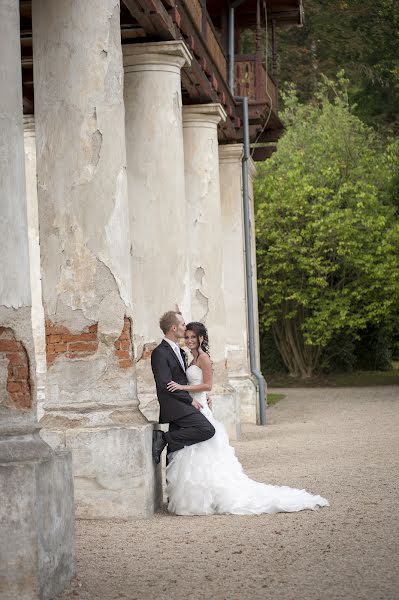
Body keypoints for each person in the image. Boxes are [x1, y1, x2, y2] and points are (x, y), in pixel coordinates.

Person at [165, 321, 330, 516]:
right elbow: (199, 384)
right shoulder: (191, 359)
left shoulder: (204, 359)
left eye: (194, 337)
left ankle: (209, 499)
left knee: (204, 454)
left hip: (200, 410)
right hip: (194, 406)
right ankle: (199, 499)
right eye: (188, 337)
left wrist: (183, 388)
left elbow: (208, 385)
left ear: (201, 338)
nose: (190, 340)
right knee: (195, 454)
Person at [151, 311, 215, 465]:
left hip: (184, 403)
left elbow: (187, 380)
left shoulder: (181, 352)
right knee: (207, 429)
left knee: (177, 451)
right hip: (176, 405)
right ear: (174, 328)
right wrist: (189, 400)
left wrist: (201, 393)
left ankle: (172, 487)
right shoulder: (160, 352)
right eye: (182, 324)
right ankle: (163, 437)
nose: (185, 327)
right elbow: (165, 383)